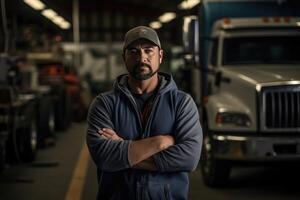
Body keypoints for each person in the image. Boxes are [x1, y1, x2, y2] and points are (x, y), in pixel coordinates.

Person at [87, 26, 202, 200]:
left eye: (149, 51)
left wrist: (124, 151)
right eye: (133, 51)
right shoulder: (104, 104)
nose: (142, 58)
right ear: (124, 58)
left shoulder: (181, 103)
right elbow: (104, 157)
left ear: (160, 56)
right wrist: (160, 142)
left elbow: (189, 158)